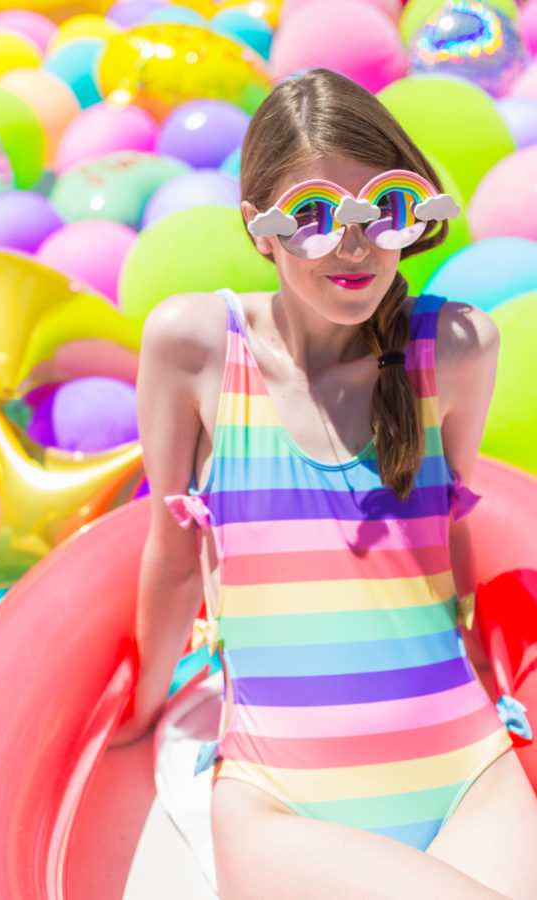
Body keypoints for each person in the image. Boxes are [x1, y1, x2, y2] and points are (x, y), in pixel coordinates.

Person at [126, 69, 537, 898]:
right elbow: (174, 553)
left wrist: (489, 664)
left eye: (381, 211)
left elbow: (443, 522)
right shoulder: (196, 345)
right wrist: (138, 713)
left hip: (464, 773)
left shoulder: (456, 346)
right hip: (282, 803)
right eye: (314, 217)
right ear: (260, 231)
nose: (353, 248)